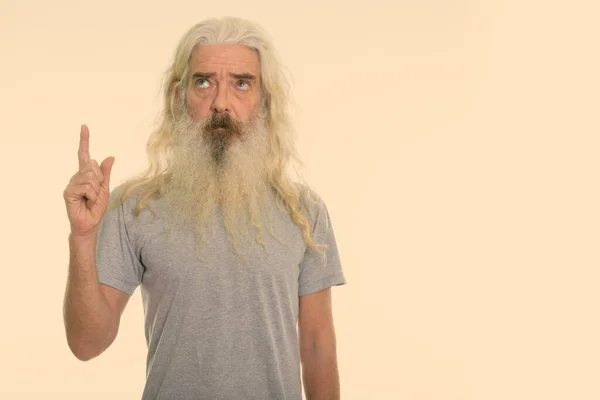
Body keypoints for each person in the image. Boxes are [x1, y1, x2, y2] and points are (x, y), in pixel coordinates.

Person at [61, 16, 347, 400]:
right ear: (180, 95)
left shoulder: (304, 211)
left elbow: (316, 344)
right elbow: (86, 343)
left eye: (241, 83)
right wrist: (83, 237)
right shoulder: (134, 208)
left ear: (263, 99)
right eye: (203, 82)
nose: (221, 103)